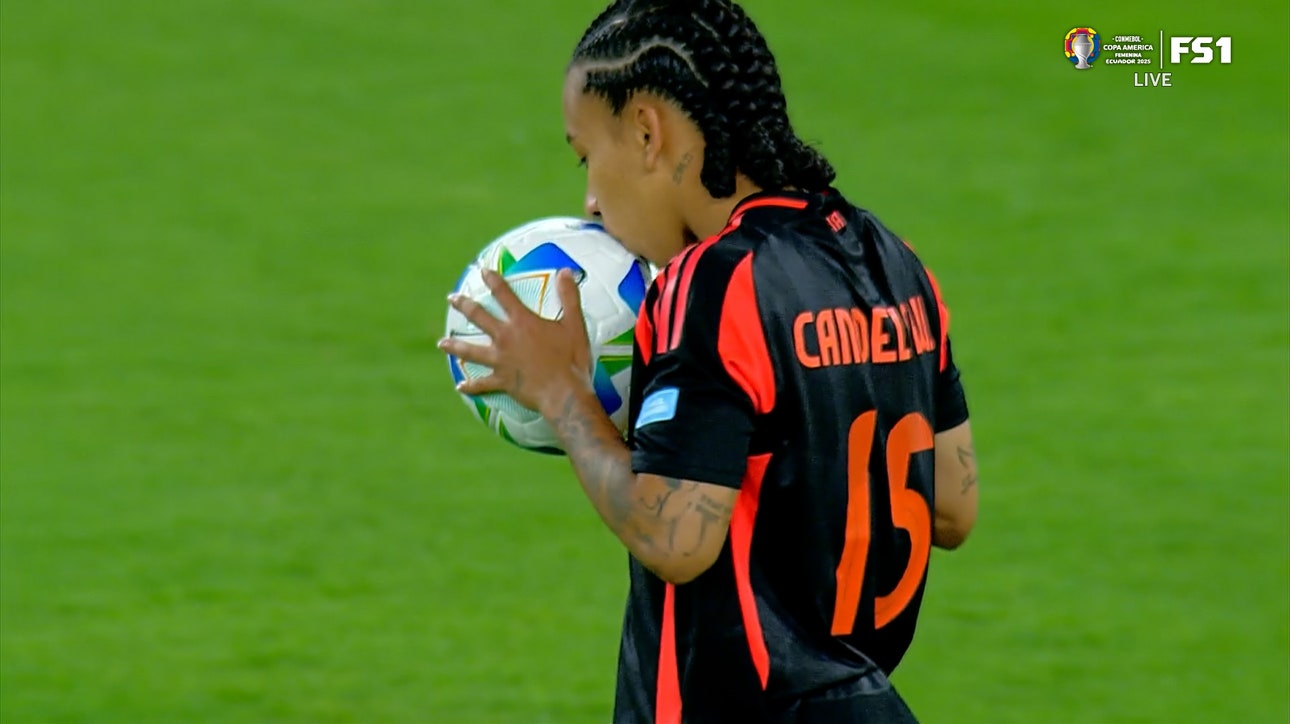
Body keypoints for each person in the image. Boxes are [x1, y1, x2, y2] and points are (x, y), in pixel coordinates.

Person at [438, 0, 979, 720]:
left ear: (645, 132)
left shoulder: (713, 282)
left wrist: (562, 392)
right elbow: (951, 506)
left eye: (586, 155)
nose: (591, 201)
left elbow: (675, 536)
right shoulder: (892, 260)